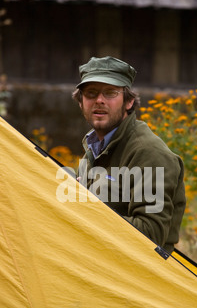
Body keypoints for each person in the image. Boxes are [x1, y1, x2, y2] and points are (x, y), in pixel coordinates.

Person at [72, 56, 186, 253]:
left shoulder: (149, 153)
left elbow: (151, 235)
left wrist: (88, 210)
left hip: (140, 277)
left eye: (110, 93)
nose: (99, 100)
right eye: (91, 93)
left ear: (129, 101)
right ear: (81, 102)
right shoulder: (94, 146)